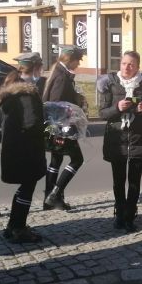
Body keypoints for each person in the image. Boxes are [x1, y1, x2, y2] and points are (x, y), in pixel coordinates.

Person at [0, 52, 47, 243]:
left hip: (14, 148)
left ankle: (13, 225)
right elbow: (32, 123)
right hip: (26, 150)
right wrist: (49, 126)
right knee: (27, 188)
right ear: (36, 68)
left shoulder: (12, 89)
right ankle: (18, 228)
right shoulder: (26, 93)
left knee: (24, 188)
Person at [97, 51, 142, 232]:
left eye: (131, 64)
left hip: (138, 138)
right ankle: (120, 213)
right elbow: (102, 113)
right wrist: (117, 107)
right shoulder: (111, 83)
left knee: (135, 181)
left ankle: (130, 214)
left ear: (137, 67)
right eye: (124, 63)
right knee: (119, 180)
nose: (126, 67)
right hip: (117, 138)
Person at [42, 47, 87, 211]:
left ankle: (49, 199)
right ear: (71, 59)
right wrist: (67, 120)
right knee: (77, 160)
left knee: (56, 160)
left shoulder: (59, 72)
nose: (79, 64)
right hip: (62, 127)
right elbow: (55, 104)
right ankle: (55, 193)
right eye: (78, 60)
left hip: (54, 127)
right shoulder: (61, 77)